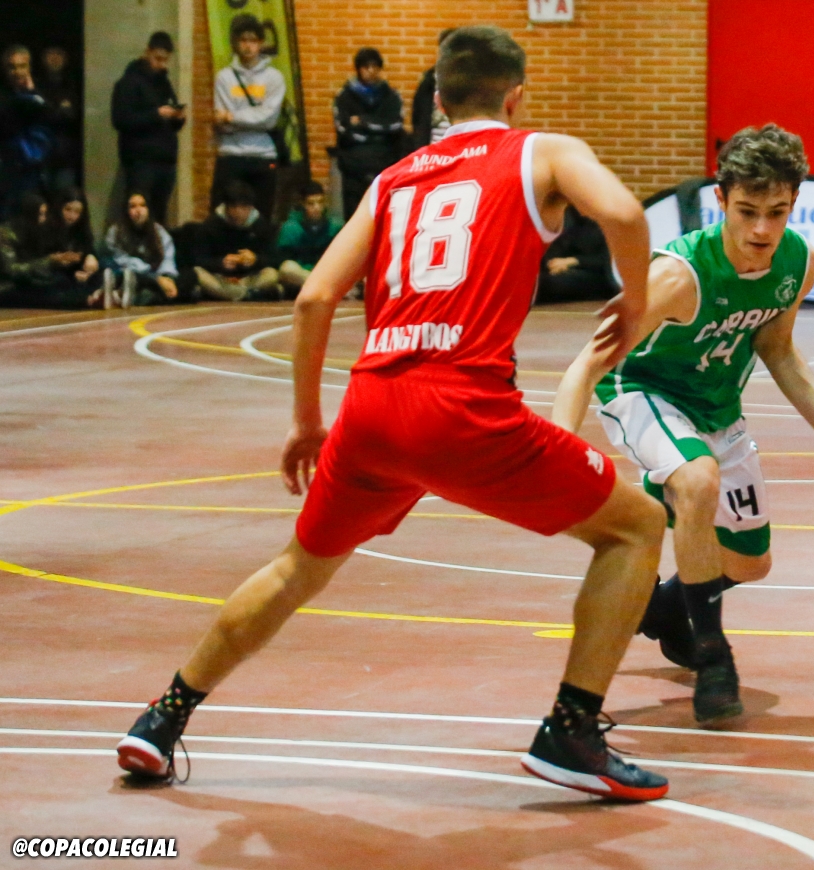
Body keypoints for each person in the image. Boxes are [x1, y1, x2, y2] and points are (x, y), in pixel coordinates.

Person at [116, 24, 671, 803]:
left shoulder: (393, 178)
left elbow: (314, 298)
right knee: (637, 526)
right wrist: (636, 303)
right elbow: (624, 213)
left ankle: (162, 718)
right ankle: (571, 730)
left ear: (438, 97)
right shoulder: (542, 151)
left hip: (372, 408)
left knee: (297, 568)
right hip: (463, 407)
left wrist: (308, 423)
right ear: (516, 96)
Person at [552, 124, 814, 725]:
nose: (761, 230)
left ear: (794, 204)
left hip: (717, 406)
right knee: (696, 480)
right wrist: (561, 450)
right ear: (722, 200)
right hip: (643, 390)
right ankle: (713, 657)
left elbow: (776, 347)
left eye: (777, 212)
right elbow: (587, 364)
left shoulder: (797, 262)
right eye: (747, 211)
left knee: (751, 563)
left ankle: (661, 608)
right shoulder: (679, 276)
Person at [210, 14, 285, 222]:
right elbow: (222, 122)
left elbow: (269, 119)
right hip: (230, 155)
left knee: (261, 218)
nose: (248, 46)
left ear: (261, 43)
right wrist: (251, 119)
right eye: (243, 40)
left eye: (253, 40)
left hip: (263, 156)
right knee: (220, 215)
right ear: (235, 43)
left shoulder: (274, 78)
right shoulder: (224, 77)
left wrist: (232, 117)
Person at [111, 33, 187, 226]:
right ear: (147, 53)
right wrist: (156, 114)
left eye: (165, 60)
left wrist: (178, 118)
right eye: (157, 58)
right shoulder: (129, 83)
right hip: (141, 161)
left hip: (165, 160)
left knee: (159, 215)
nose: (161, 64)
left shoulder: (164, 82)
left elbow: (170, 115)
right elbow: (121, 120)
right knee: (138, 214)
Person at [333, 48, 405, 220]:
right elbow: (344, 130)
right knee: (355, 217)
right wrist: (379, 129)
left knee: (386, 217)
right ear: (358, 69)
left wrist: (363, 122)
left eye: (375, 67)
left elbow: (396, 125)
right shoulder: (344, 96)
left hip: (385, 165)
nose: (371, 71)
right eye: (366, 67)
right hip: (354, 168)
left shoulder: (391, 96)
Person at [0, 190, 100, 308]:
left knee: (60, 282)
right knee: (46, 291)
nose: (44, 219)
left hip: (27, 281)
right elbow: (12, 271)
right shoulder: (5, 234)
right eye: (41, 214)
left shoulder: (31, 232)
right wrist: (51, 261)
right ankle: (87, 300)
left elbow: (35, 265)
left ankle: (96, 295)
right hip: (7, 287)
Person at [193, 180, 279, 301]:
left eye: (244, 207)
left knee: (271, 274)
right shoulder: (211, 225)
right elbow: (199, 259)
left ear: (251, 207)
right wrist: (221, 263)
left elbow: (274, 258)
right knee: (197, 272)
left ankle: (234, 294)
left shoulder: (261, 225)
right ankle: (248, 295)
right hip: (221, 279)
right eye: (233, 207)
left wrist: (255, 259)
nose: (238, 212)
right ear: (226, 207)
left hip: (249, 279)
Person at [100, 191, 179, 308]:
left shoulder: (158, 231)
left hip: (158, 276)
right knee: (117, 269)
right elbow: (123, 261)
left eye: (142, 205)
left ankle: (129, 297)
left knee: (190, 278)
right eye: (133, 206)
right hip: (133, 275)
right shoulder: (116, 232)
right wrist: (156, 279)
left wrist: (167, 278)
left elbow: (168, 257)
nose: (138, 210)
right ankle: (128, 295)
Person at [0, 45, 52, 218]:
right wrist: (30, 100)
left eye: (22, 66)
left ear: (29, 67)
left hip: (37, 168)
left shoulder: (42, 89)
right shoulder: (3, 94)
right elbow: (9, 121)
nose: (17, 72)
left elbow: (52, 115)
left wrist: (32, 93)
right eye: (12, 67)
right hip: (8, 168)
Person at [537, 205, 617, 304]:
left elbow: (607, 261)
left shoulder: (606, 219)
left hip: (596, 275)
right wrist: (553, 264)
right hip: (565, 270)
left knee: (550, 284)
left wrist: (574, 261)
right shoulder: (569, 216)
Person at [275, 180, 342, 298]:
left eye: (320, 202)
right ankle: (324, 288)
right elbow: (283, 260)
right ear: (303, 204)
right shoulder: (291, 227)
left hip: (327, 272)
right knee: (287, 268)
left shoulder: (335, 225)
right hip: (301, 274)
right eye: (311, 203)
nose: (317, 207)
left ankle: (322, 287)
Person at [38, 46, 81, 193]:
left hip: (65, 155)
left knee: (65, 197)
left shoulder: (73, 84)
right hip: (40, 153)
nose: (55, 58)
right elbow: (38, 115)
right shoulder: (36, 85)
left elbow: (72, 115)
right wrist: (59, 110)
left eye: (59, 54)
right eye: (51, 53)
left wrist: (50, 110)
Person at [411, 29, 456, 149]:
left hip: (459, 147)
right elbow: (418, 116)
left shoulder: (469, 81)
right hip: (433, 146)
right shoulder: (429, 81)